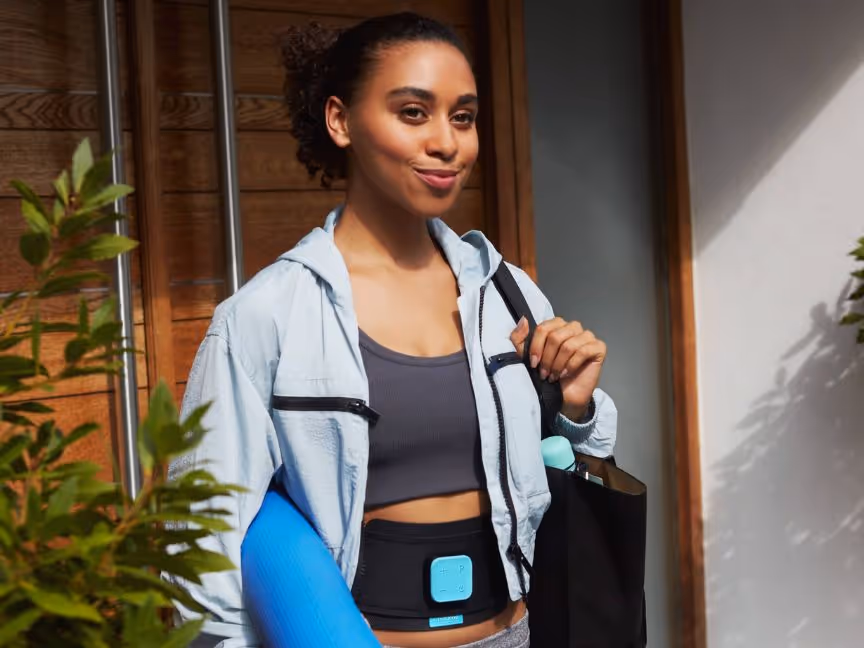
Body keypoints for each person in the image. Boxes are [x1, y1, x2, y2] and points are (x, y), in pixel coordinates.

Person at [168, 12, 617, 648]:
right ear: (340, 121)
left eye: (462, 117)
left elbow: (572, 468)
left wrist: (573, 405)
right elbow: (204, 537)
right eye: (413, 112)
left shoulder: (506, 292)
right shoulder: (267, 315)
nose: (447, 142)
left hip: (519, 635)